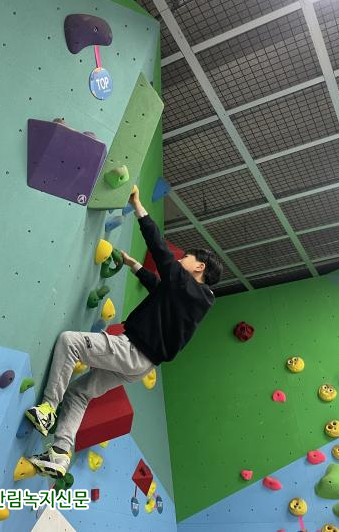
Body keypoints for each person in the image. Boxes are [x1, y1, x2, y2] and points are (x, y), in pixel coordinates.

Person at [25, 185, 223, 478]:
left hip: (132, 351)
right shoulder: (194, 299)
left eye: (186, 258)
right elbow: (161, 290)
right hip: (141, 366)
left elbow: (159, 248)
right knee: (80, 393)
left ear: (199, 267)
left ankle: (47, 410)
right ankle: (60, 454)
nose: (180, 260)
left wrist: (138, 205)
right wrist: (135, 267)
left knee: (70, 342)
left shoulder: (185, 285)